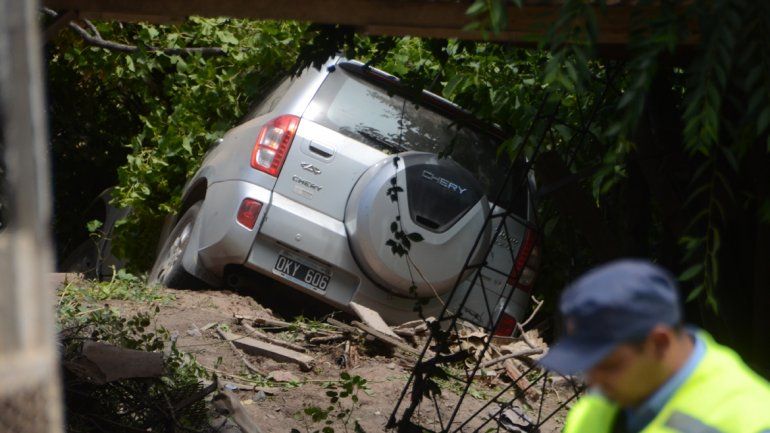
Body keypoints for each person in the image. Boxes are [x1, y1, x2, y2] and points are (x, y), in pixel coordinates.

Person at [539, 259, 770, 433]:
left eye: (609, 365)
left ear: (660, 342)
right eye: (587, 364)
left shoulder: (752, 420)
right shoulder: (592, 411)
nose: (593, 380)